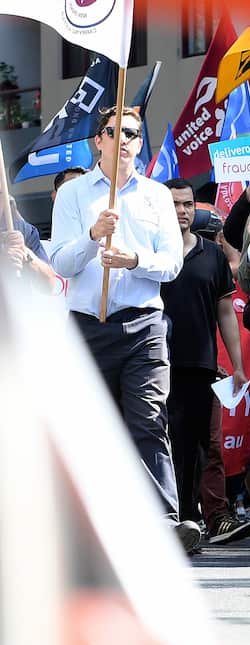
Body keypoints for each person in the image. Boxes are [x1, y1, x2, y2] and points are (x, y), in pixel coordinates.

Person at [49, 106, 200, 551]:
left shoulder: (156, 196)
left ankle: (166, 520)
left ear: (139, 142)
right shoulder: (74, 195)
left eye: (131, 133)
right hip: (87, 324)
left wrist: (134, 260)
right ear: (99, 141)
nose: (122, 139)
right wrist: (93, 236)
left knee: (150, 419)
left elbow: (172, 265)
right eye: (113, 131)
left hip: (143, 326)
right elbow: (60, 262)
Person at [160, 179, 250, 547]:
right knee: (166, 446)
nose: (181, 212)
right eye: (173, 204)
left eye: (186, 205)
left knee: (203, 447)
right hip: (155, 365)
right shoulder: (147, 252)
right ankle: (175, 519)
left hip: (201, 365)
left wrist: (237, 364)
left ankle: (205, 519)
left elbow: (226, 312)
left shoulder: (212, 256)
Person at [3, 196, 59, 291]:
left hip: (20, 303)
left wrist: (25, 252)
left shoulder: (23, 230)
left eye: (0, 194)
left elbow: (49, 286)